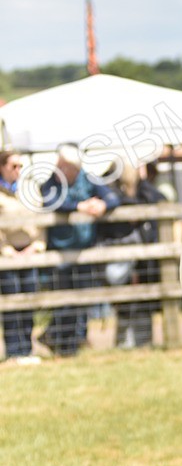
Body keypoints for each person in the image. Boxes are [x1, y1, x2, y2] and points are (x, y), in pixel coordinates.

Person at [39, 145, 120, 357]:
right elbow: (51, 201)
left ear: (73, 168)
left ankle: (70, 344)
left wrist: (103, 205)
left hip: (85, 251)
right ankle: (59, 340)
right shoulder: (51, 182)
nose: (60, 170)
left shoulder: (88, 179)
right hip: (60, 253)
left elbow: (113, 197)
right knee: (65, 301)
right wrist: (79, 207)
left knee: (83, 300)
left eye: (64, 167)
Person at [97, 163, 166, 348]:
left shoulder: (144, 190)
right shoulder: (110, 188)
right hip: (118, 252)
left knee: (144, 299)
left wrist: (141, 183)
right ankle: (123, 343)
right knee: (123, 300)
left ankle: (144, 341)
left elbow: (160, 199)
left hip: (144, 256)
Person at [0, 150, 45, 364]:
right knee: (11, 302)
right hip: (7, 255)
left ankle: (27, 349)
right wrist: (7, 251)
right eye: (13, 166)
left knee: (28, 301)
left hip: (30, 252)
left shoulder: (30, 188)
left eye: (20, 166)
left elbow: (42, 219)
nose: (18, 170)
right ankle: (13, 351)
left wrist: (36, 246)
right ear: (2, 167)